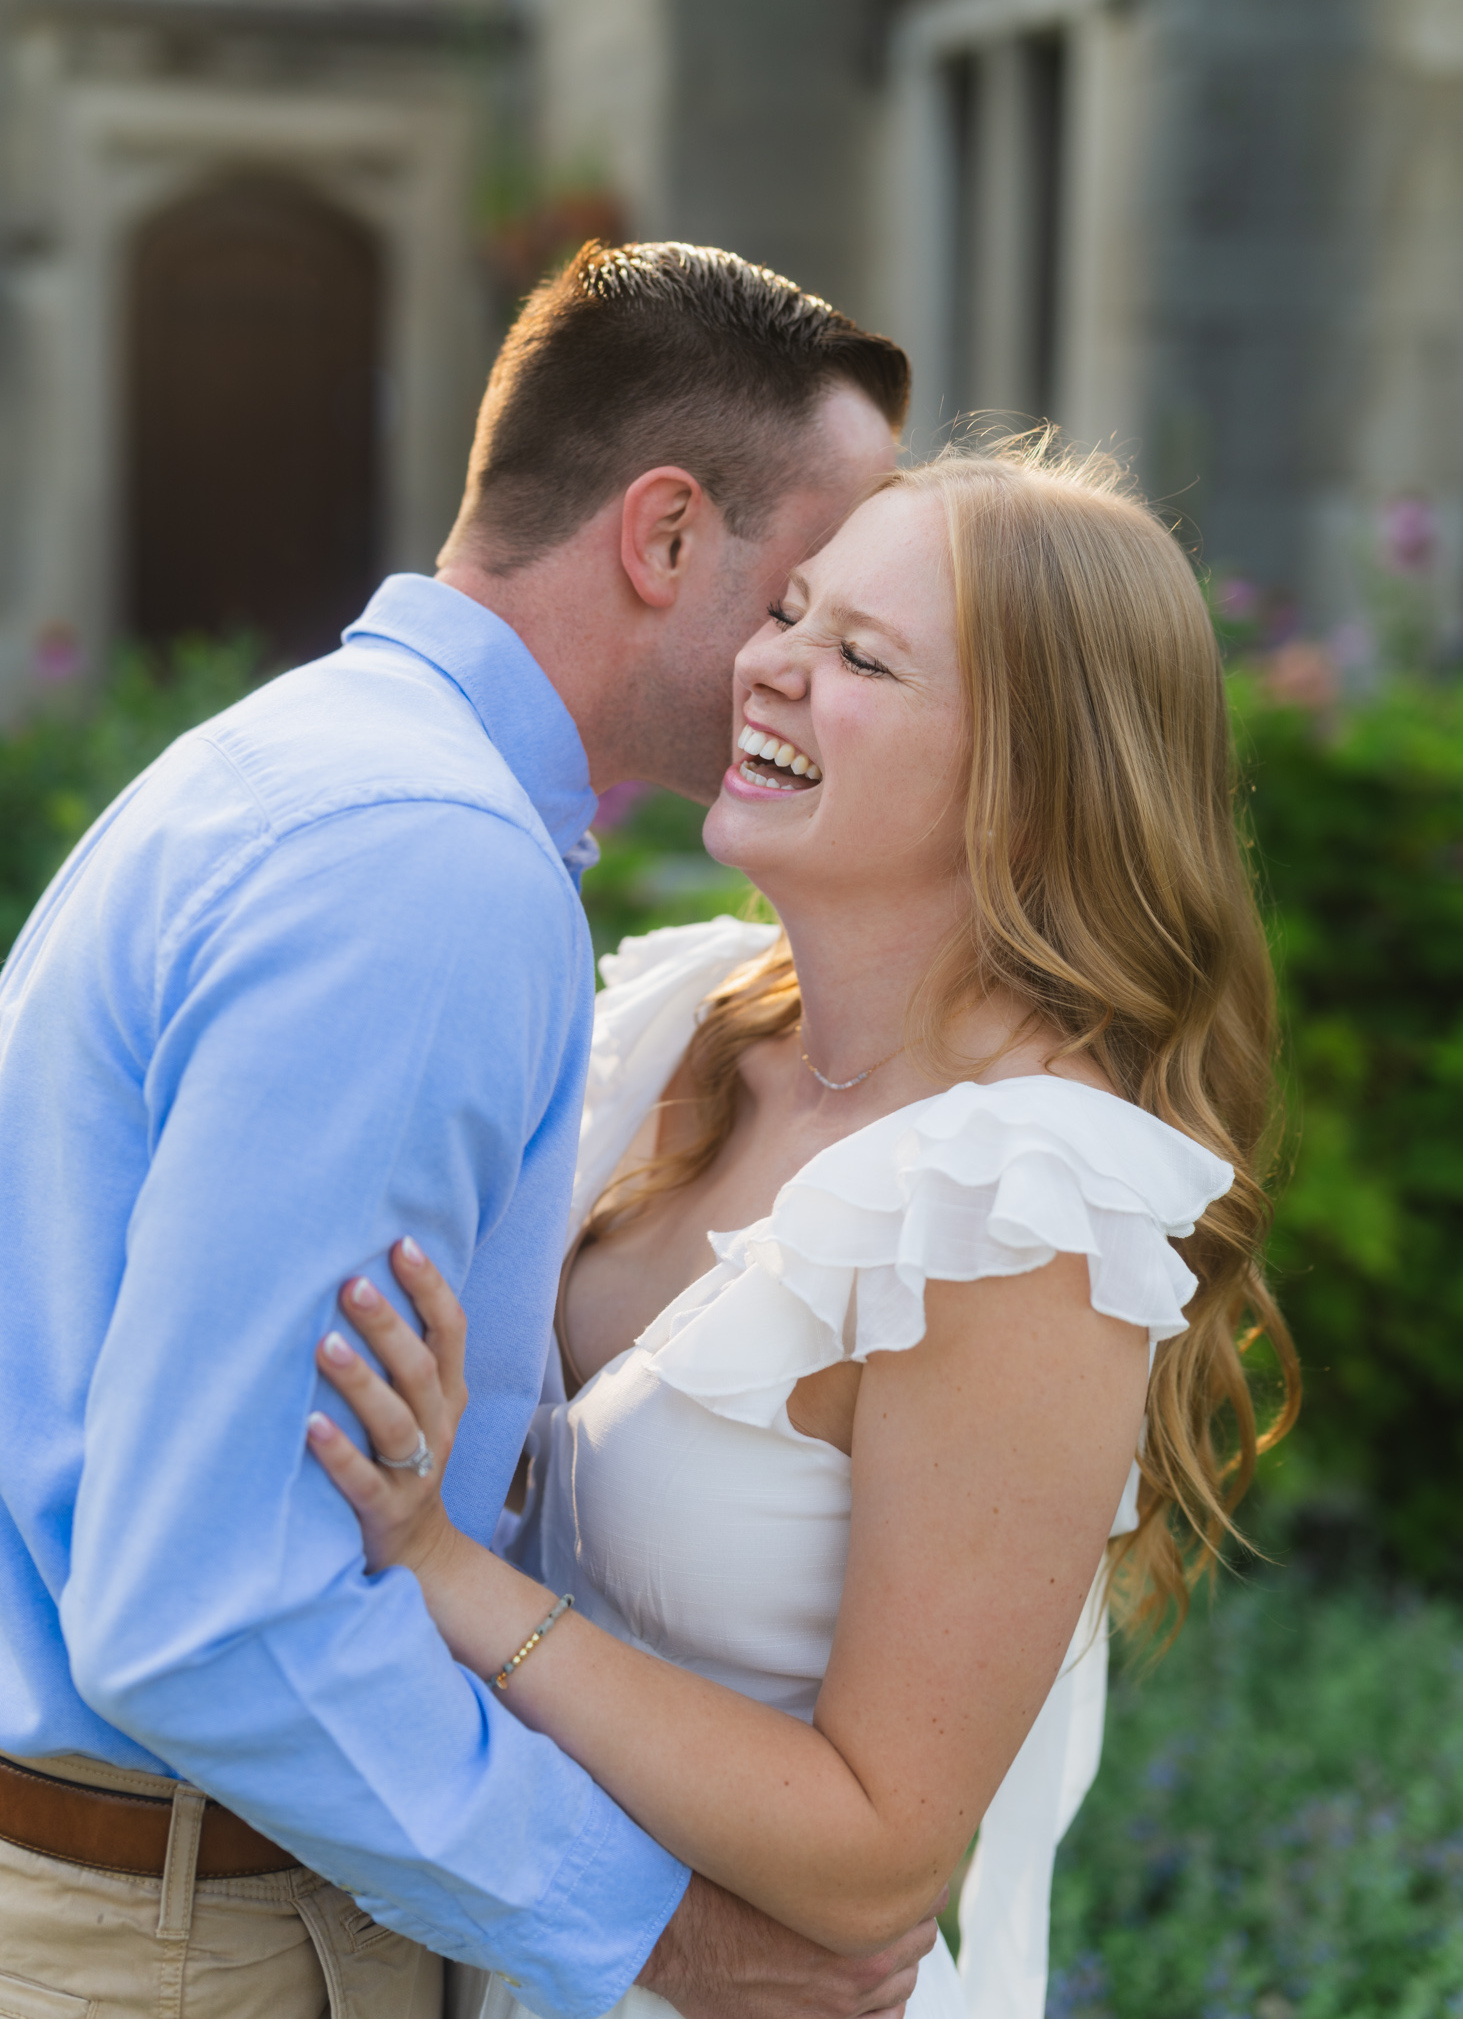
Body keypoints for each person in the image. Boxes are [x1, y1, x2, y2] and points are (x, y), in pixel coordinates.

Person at [0, 243, 933, 2019]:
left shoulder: (308, 768)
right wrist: (675, 1935)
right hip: (193, 1944)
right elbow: (209, 1610)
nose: (816, 654)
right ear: (665, 540)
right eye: (810, 592)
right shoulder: (422, 865)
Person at [305, 437, 1302, 2019]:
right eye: (790, 612)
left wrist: (442, 1568)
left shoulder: (1018, 1214)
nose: (765, 667)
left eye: (860, 656)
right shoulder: (678, 1024)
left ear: (1029, 783)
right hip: (487, 1947)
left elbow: (876, 1854)